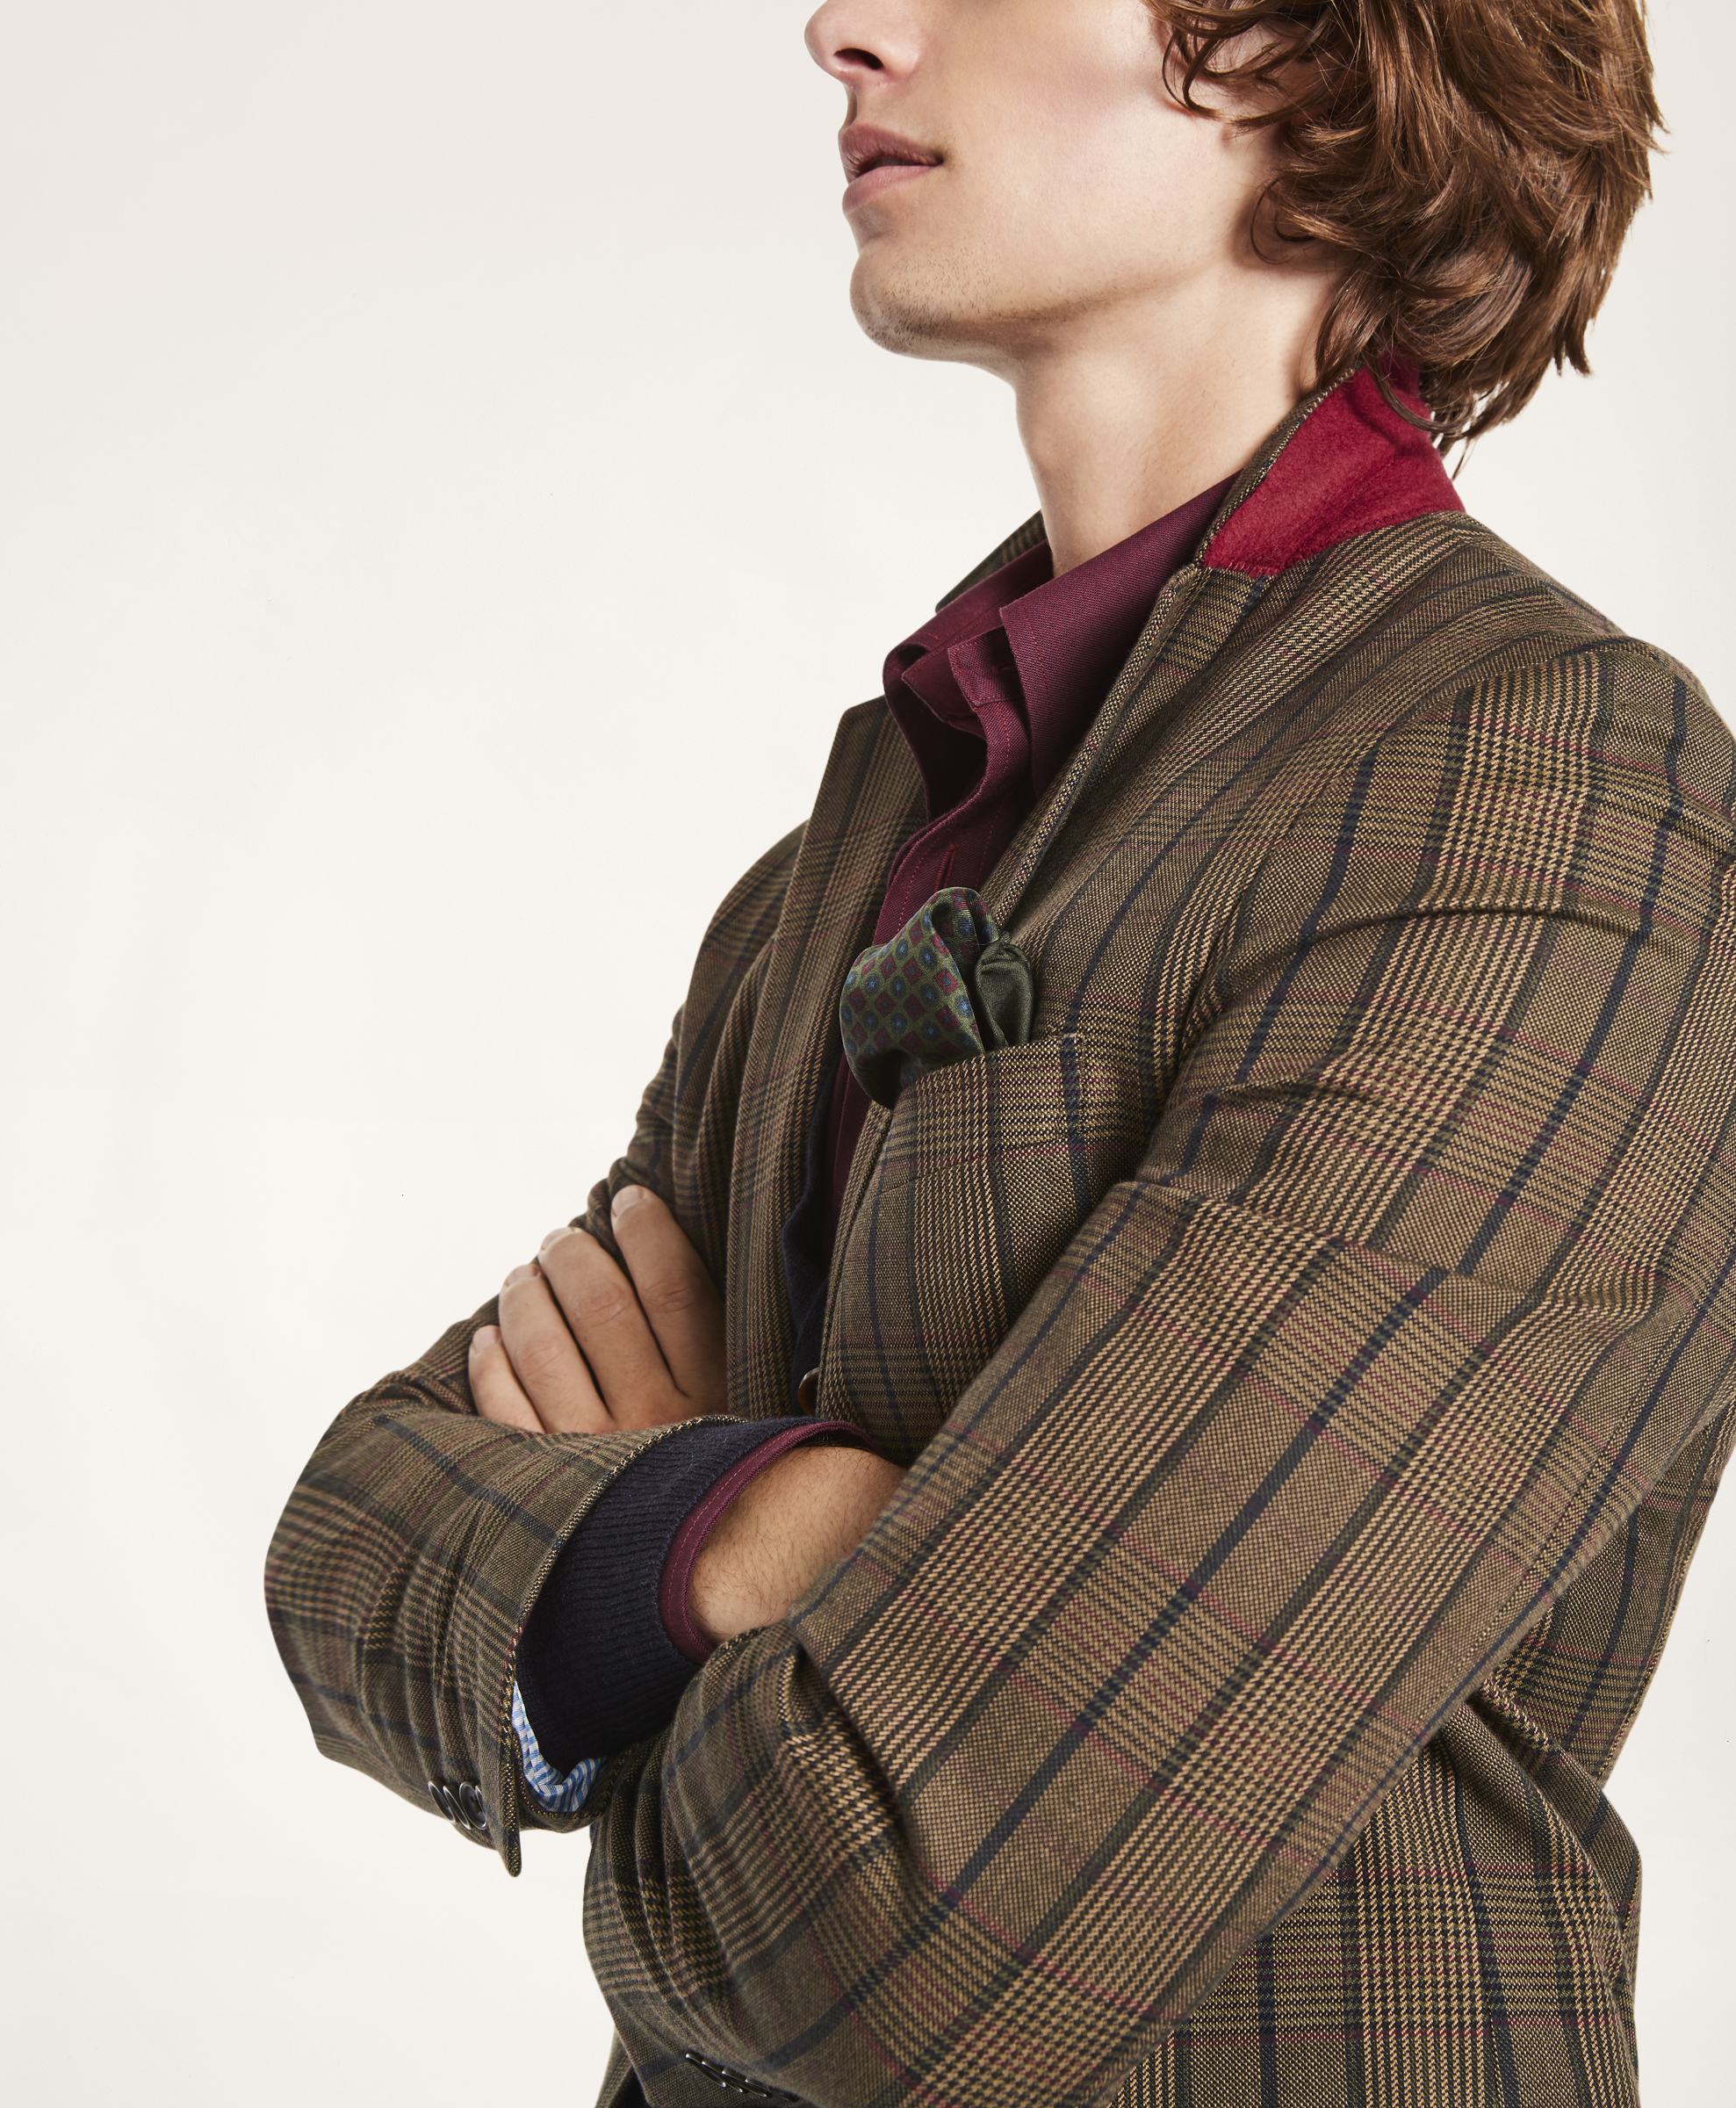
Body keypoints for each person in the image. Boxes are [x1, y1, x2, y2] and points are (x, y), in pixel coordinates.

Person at [267, 3, 1735, 2104]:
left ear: (1293, 54)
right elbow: (346, 1538)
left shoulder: (1542, 788)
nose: (843, 28)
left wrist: (631, 1566)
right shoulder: (857, 835)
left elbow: (894, 1918)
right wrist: (747, 1523)